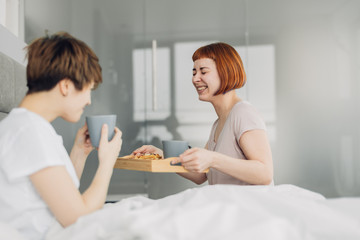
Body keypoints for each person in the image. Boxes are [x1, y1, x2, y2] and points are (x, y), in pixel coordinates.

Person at [0, 32, 122, 239]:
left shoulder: (28, 126)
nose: (89, 101)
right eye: (88, 90)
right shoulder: (31, 133)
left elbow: (59, 194)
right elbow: (79, 219)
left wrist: (79, 152)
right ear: (65, 86)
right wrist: (106, 164)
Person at [133, 42, 273, 186]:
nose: (195, 79)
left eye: (203, 72)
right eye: (194, 73)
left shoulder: (243, 113)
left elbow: (265, 173)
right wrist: (162, 156)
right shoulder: (218, 123)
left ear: (226, 72)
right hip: (227, 205)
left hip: (245, 206)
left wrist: (213, 159)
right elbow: (201, 175)